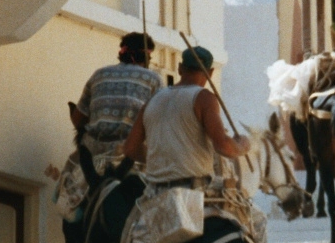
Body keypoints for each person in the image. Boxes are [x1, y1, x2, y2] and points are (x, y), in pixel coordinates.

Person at [52, 33, 161, 220]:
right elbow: (158, 122)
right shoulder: (153, 79)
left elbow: (78, 119)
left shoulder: (99, 74)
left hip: (93, 153)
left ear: (123, 52)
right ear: (146, 57)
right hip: (130, 153)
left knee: (66, 181)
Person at [127, 46, 249, 180]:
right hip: (189, 195)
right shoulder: (204, 98)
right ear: (211, 72)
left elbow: (130, 148)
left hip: (153, 192)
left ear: (180, 68)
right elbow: (223, 147)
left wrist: (160, 161)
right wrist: (241, 147)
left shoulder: (153, 98)